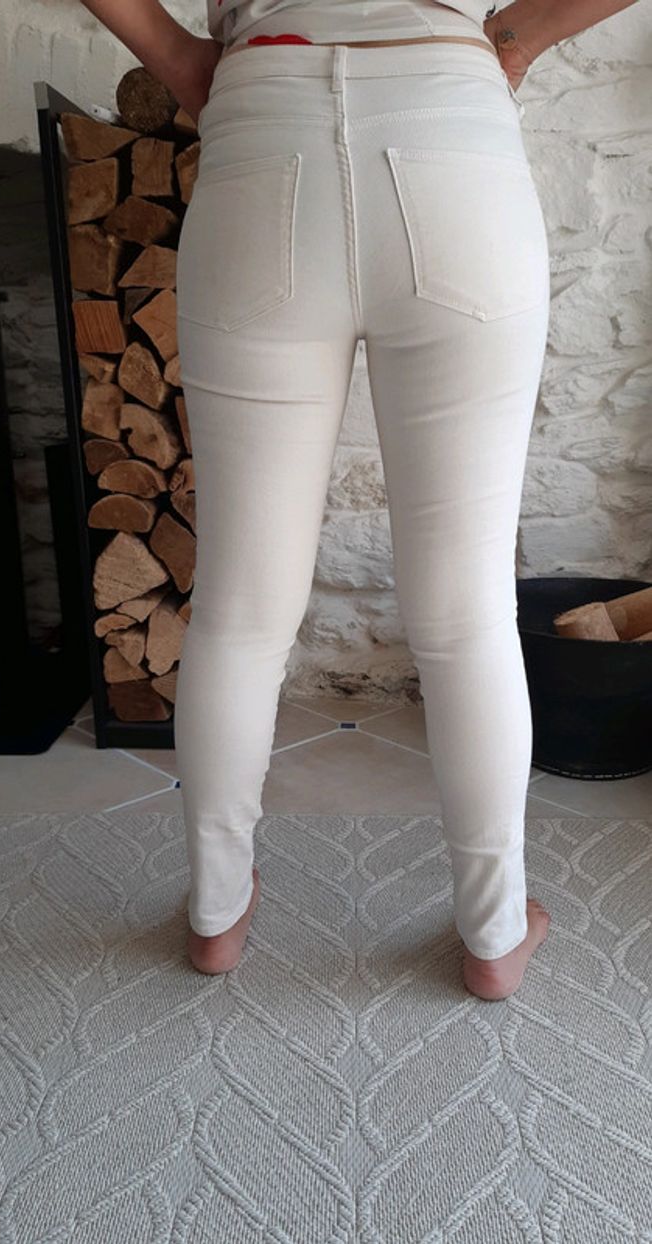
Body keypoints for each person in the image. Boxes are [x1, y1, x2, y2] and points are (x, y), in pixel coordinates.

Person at [79, 0, 638, 1000]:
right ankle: (494, 932)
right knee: (465, 613)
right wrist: (519, 37)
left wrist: (174, 55)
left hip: (263, 133)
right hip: (451, 131)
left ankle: (216, 912)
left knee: (242, 609)